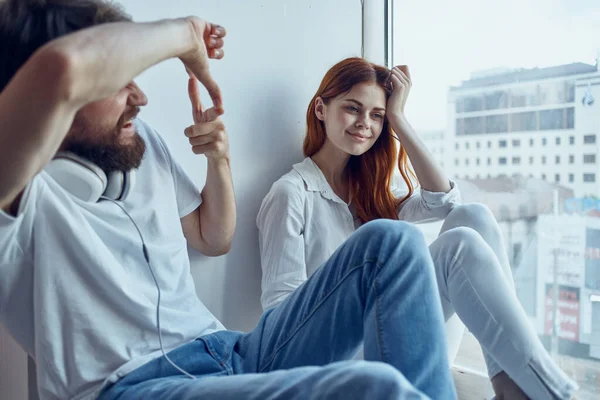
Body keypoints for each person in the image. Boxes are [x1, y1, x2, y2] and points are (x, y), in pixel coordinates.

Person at [0, 1, 458, 399]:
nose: (138, 96)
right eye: (117, 80)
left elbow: (213, 236)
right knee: (376, 390)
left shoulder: (140, 143)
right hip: (137, 387)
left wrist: (218, 159)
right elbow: (58, 69)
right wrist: (184, 34)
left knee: (392, 244)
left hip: (232, 350)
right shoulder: (15, 192)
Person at [257, 57, 579, 400]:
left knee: (473, 217)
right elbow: (281, 322)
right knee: (458, 247)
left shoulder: (370, 191)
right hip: (341, 366)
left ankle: (508, 387)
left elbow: (443, 201)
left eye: (377, 115)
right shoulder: (291, 194)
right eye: (353, 108)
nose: (365, 123)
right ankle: (554, 394)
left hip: (394, 342)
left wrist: (399, 118)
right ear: (321, 108)